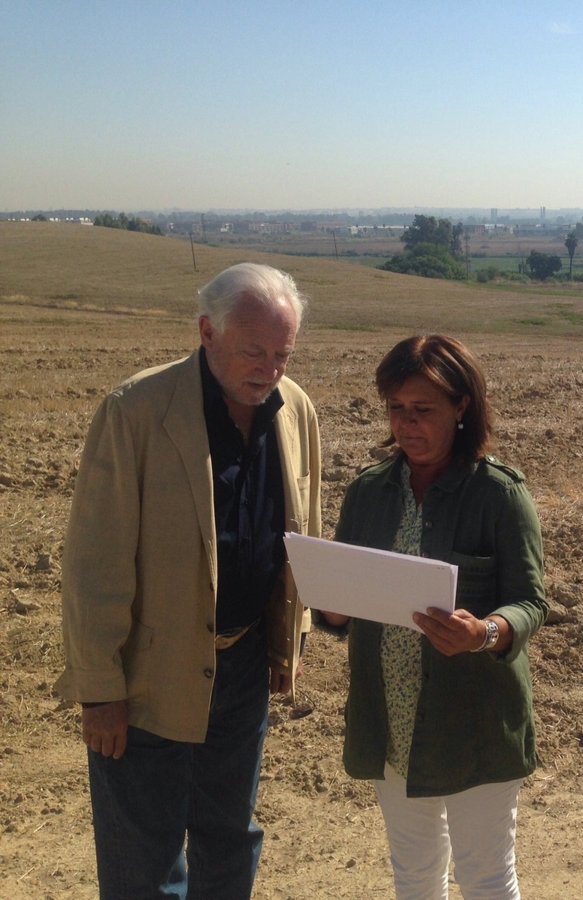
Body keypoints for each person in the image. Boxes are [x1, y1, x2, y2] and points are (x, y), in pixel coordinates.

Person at [55, 262, 322, 899]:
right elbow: (94, 563)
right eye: (254, 351)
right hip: (146, 676)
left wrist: (289, 641)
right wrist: (99, 690)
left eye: (283, 354)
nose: (270, 369)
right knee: (143, 863)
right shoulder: (137, 410)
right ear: (207, 331)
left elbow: (302, 530)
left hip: (244, 666)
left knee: (230, 839)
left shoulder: (295, 410)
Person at [320, 334, 546, 899]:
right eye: (396, 408)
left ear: (461, 406)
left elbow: (530, 602)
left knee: (486, 878)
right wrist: (333, 608)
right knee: (415, 875)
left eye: (423, 409)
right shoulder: (368, 492)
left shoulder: (499, 494)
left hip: (475, 722)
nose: (406, 423)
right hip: (392, 719)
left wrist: (484, 632)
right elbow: (342, 600)